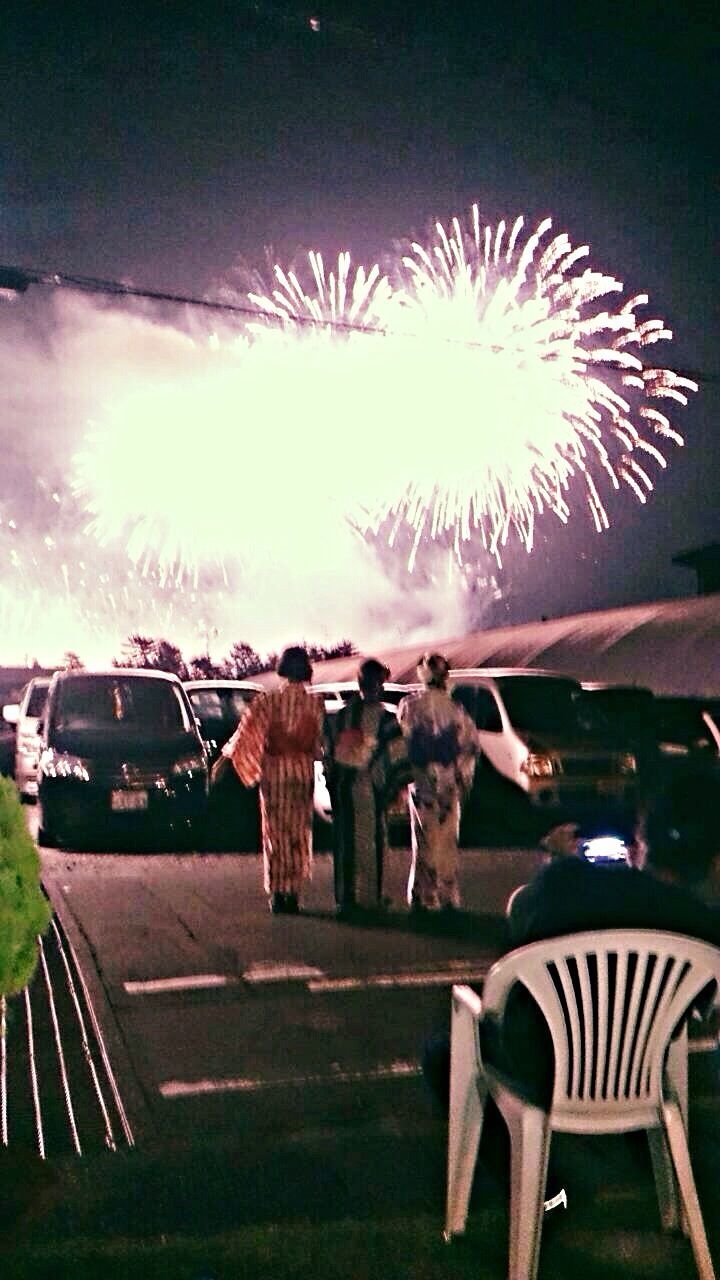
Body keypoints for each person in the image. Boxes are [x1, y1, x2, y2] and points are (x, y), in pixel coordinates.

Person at [423, 776, 720, 1110]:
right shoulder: (703, 928)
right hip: (637, 1073)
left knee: (442, 1048)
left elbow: (518, 934)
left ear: (640, 838)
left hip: (539, 1068)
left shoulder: (564, 881)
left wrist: (557, 861)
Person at [214, 646, 323, 914]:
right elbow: (319, 744)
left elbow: (246, 734)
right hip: (302, 774)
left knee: (276, 833)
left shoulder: (268, 702)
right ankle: (294, 893)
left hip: (275, 775)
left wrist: (225, 759)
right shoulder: (315, 704)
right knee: (299, 833)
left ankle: (278, 892)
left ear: (282, 669)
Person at [397, 653, 480, 912]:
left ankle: (423, 895)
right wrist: (462, 778)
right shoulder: (456, 711)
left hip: (422, 781)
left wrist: (403, 776)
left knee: (423, 838)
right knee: (447, 839)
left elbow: (402, 744)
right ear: (445, 676)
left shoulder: (409, 706)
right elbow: (470, 748)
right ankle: (447, 895)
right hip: (447, 781)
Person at [323, 658, 407, 916]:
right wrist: (391, 787)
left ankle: (346, 899)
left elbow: (327, 753)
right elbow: (397, 756)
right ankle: (370, 898)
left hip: (344, 786)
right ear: (380, 683)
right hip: (372, 786)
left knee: (345, 841)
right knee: (371, 842)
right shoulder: (387, 719)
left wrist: (333, 781)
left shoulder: (340, 717)